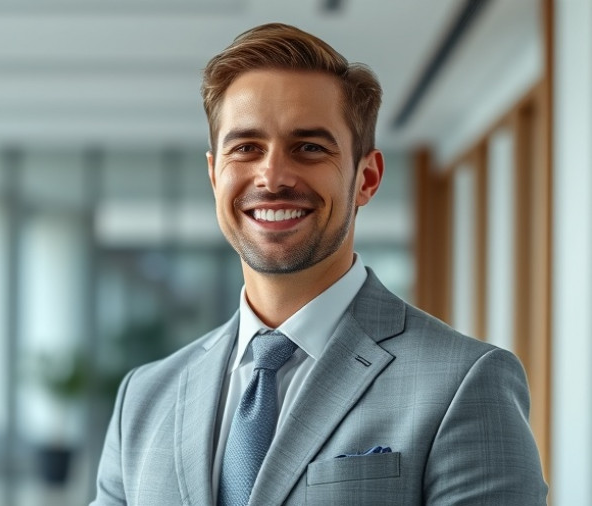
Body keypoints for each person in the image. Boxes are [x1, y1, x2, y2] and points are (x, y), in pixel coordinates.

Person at [91, 23, 548, 506]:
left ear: (366, 178)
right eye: (246, 147)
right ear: (214, 175)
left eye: (309, 147)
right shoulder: (142, 399)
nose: (272, 176)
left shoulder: (466, 383)